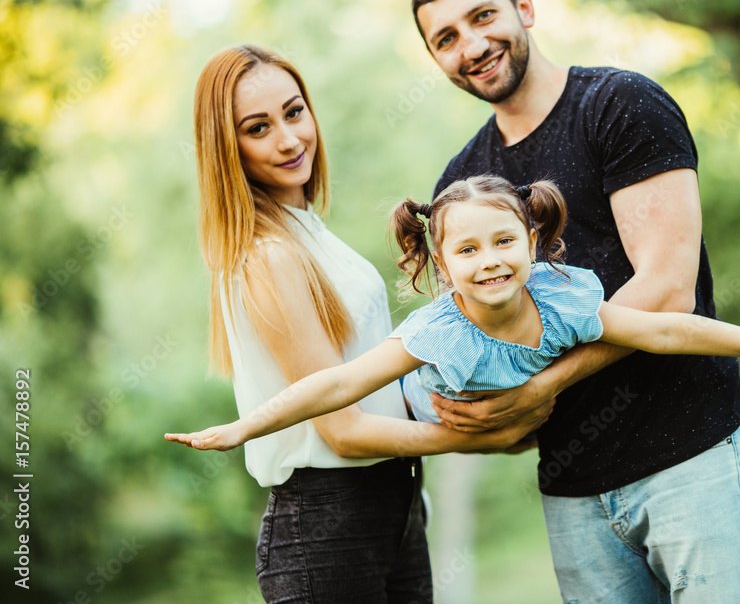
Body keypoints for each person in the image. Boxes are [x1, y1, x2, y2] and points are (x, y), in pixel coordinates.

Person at [409, 0, 740, 603]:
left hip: (690, 461)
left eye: (483, 17)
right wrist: (478, 409)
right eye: (446, 37)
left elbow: (668, 288)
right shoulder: (461, 182)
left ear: (524, 8)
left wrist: (541, 386)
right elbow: (484, 339)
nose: (471, 45)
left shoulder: (619, 105)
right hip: (572, 491)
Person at [174, 45, 547, 604]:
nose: (289, 138)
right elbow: (342, 430)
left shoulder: (310, 234)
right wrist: (485, 435)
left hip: (392, 504)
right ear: (227, 148)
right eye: (258, 128)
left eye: (294, 112)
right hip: (326, 526)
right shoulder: (268, 254)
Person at [164, 175, 740, 451]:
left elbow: (665, 327)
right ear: (444, 268)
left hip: (519, 418)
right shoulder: (437, 331)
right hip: (430, 415)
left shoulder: (561, 301)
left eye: (505, 241)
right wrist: (245, 426)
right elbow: (338, 384)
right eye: (468, 250)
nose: (490, 261)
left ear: (533, 244)